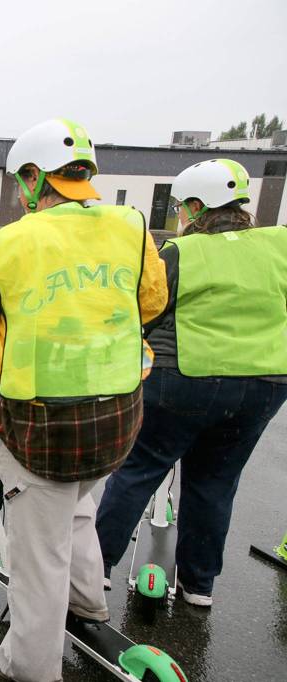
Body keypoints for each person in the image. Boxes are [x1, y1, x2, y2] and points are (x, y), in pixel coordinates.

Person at [0, 118, 168, 682]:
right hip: (118, 415)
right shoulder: (132, 226)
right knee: (80, 508)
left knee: (38, 551)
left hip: (42, 426)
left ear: (32, 178)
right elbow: (152, 301)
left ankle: (28, 666)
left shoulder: (15, 240)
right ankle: (89, 604)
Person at [95, 159, 287, 606]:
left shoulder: (181, 252)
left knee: (139, 469)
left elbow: (147, 310)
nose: (180, 216)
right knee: (216, 482)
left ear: (199, 206)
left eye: (183, 207)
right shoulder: (280, 244)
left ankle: (96, 567)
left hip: (184, 376)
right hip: (265, 382)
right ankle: (199, 585)